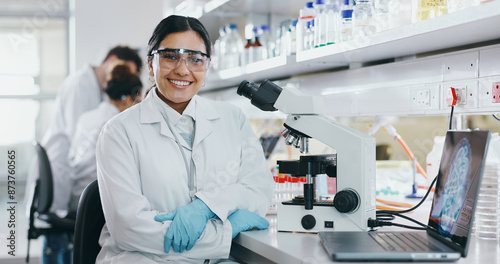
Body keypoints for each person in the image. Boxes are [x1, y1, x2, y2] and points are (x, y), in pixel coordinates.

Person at [95, 15, 274, 263]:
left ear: (207, 66)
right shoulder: (118, 132)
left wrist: (206, 206)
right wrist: (225, 233)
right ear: (150, 63)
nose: (182, 69)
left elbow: (258, 191)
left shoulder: (233, 119)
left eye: (195, 59)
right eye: (170, 56)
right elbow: (130, 230)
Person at [31, 46, 142, 264]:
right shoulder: (84, 87)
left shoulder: (93, 114)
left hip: (71, 180)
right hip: (68, 181)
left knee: (62, 242)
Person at [68, 63, 143, 214]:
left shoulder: (87, 117)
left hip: (77, 194)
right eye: (139, 100)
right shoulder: (117, 124)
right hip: (95, 201)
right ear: (129, 99)